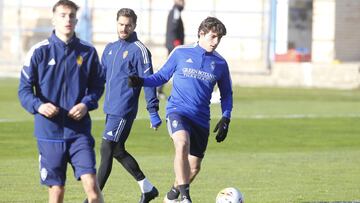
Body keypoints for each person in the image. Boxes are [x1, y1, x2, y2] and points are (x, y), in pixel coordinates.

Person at [128, 17, 233, 203]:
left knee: (194, 168)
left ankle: (173, 194)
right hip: (178, 111)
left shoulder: (221, 64)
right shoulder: (181, 53)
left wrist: (226, 118)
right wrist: (142, 81)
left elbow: (226, 94)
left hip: (201, 119)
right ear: (201, 33)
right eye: (213, 36)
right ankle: (185, 197)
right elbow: (161, 76)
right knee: (182, 143)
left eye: (219, 38)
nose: (216, 42)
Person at [18, 0, 105, 203]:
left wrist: (86, 104)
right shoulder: (39, 52)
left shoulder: (88, 52)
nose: (68, 19)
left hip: (79, 132)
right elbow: (24, 90)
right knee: (56, 191)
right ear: (54, 19)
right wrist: (38, 105)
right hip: (49, 133)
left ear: (76, 20)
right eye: (63, 15)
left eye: (72, 16)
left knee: (92, 186)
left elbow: (97, 86)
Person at [93, 8, 161, 203]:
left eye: (128, 25)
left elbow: (149, 81)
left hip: (124, 110)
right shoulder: (110, 48)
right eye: (121, 24)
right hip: (109, 108)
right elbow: (100, 77)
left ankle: (92, 198)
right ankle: (147, 189)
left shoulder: (140, 50)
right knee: (117, 151)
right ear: (117, 23)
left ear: (134, 26)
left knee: (106, 148)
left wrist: (153, 111)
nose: (124, 28)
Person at [157, 0, 185, 99]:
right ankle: (158, 88)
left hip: (173, 44)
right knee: (172, 68)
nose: (184, 3)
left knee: (171, 68)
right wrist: (176, 42)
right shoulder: (176, 10)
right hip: (174, 45)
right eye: (182, 1)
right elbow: (174, 26)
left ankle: (159, 89)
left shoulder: (176, 11)